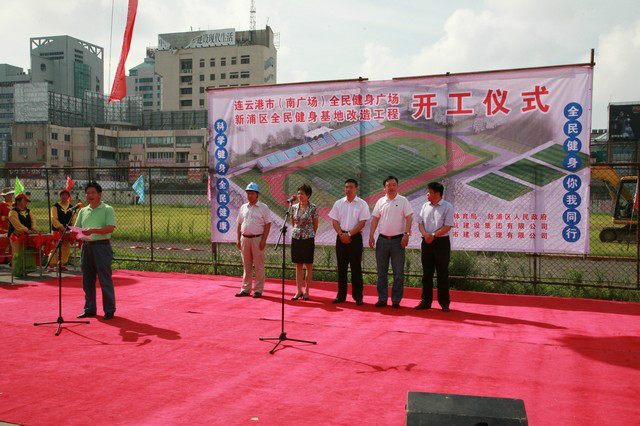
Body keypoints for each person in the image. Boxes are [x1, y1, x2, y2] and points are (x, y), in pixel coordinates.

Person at [74, 182, 117, 320]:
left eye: (93, 192)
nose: (90, 195)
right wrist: (75, 233)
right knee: (87, 280)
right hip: (86, 247)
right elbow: (77, 228)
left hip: (101, 247)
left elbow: (110, 228)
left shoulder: (107, 209)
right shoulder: (82, 210)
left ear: (99, 194)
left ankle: (109, 310)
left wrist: (93, 231)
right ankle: (89, 308)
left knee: (105, 279)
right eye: (88, 193)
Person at [369, 176, 413, 308]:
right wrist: (371, 236)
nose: (391, 187)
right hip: (382, 240)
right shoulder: (380, 201)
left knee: (398, 273)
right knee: (381, 272)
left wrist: (406, 234)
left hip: (398, 241)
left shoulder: (403, 200)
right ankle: (382, 299)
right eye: (388, 185)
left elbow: (409, 217)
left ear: (397, 186)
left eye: (394, 185)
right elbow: (375, 219)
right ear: (384, 187)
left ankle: (396, 300)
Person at [328, 179, 370, 305]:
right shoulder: (339, 203)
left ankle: (358, 297)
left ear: (356, 188)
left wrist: (349, 234)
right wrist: (341, 234)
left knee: (356, 268)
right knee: (341, 268)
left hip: (355, 238)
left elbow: (362, 222)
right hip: (341, 237)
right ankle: (341, 296)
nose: (348, 189)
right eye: (346, 187)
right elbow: (334, 221)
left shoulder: (362, 204)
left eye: (351, 187)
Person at [416, 182, 454, 312]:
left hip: (441, 243)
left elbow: (448, 226)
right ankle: (426, 301)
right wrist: (425, 234)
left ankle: (444, 303)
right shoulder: (424, 206)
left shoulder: (447, 207)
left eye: (429, 192)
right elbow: (420, 223)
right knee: (427, 273)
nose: (427, 194)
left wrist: (433, 235)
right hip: (426, 242)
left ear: (437, 194)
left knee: (442, 273)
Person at [236, 182, 272, 298]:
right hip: (244, 239)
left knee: (258, 266)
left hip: (257, 239)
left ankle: (258, 290)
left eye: (252, 193)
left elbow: (267, 224)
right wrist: (238, 239)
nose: (249, 195)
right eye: (248, 193)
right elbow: (239, 223)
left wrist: (264, 240)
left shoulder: (263, 208)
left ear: (257, 195)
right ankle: (245, 289)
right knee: (246, 265)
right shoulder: (243, 207)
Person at [290, 184, 318, 301]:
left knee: (308, 265)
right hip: (296, 237)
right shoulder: (294, 207)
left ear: (308, 195)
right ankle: (298, 290)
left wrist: (309, 233)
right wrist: (298, 231)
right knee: (298, 265)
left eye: (302, 193)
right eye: (299, 193)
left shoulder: (313, 207)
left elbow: (315, 224)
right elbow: (293, 222)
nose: (300, 195)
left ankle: (307, 291)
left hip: (308, 238)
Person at [7, 193, 38, 276]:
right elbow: (17, 225)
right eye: (24, 201)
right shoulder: (12, 212)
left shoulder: (29, 211)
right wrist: (26, 230)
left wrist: (33, 228)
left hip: (27, 236)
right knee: (17, 253)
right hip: (15, 236)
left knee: (26, 253)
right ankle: (17, 271)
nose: (26, 203)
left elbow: (33, 220)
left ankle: (24, 270)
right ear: (18, 201)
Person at [48, 188, 77, 271]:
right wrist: (60, 226)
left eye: (66, 195)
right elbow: (53, 219)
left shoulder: (71, 207)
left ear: (68, 196)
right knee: (55, 247)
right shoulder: (55, 207)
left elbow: (74, 219)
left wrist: (73, 227)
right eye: (62, 195)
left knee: (66, 248)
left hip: (67, 231)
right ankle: (51, 264)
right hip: (57, 231)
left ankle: (61, 263)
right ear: (60, 196)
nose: (64, 196)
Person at [0, 188, 13, 264]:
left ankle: (11, 259)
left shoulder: (15, 204)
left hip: (13, 227)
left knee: (12, 243)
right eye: (7, 195)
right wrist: (5, 217)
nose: (9, 196)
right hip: (4, 227)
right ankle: (2, 259)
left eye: (10, 195)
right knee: (3, 244)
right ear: (4, 196)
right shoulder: (1, 204)